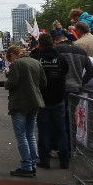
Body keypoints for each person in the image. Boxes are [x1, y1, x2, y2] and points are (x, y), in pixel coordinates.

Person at [1, 44, 44, 177]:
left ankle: (26, 165)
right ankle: (32, 163)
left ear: (13, 54)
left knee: (21, 135)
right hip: (34, 101)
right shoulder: (36, 62)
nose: (10, 61)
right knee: (30, 134)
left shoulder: (17, 64)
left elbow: (12, 83)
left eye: (9, 58)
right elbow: (44, 82)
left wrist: (6, 83)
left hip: (20, 102)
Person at [30, 32, 71, 169]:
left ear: (39, 44)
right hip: (58, 97)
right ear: (53, 43)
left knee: (44, 130)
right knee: (61, 130)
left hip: (42, 97)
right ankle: (64, 159)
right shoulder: (61, 58)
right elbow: (65, 71)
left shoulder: (37, 58)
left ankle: (45, 159)